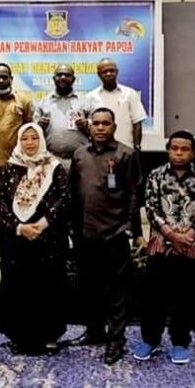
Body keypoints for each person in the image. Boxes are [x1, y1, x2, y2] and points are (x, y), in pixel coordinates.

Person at [133, 130, 195, 365]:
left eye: (185, 149)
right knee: (153, 296)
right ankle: (150, 340)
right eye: (174, 148)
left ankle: (180, 342)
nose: (179, 153)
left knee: (185, 297)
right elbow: (151, 207)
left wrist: (189, 234)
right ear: (168, 150)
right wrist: (170, 234)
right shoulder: (156, 175)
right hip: (161, 244)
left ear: (193, 153)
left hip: (191, 244)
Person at [69, 107, 143, 365]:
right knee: (90, 286)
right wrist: (73, 228)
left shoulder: (126, 154)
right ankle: (94, 331)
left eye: (105, 123)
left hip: (115, 233)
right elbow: (73, 192)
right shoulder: (79, 154)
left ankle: (116, 339)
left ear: (114, 127)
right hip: (85, 233)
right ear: (89, 126)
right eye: (96, 123)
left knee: (117, 290)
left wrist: (129, 228)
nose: (100, 127)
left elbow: (135, 194)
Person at [0, 123, 70, 356]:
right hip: (16, 238)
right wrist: (20, 227)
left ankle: (50, 336)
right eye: (25, 138)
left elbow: (65, 198)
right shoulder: (9, 168)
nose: (29, 143)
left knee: (48, 285)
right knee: (18, 285)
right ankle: (19, 337)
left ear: (41, 140)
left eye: (34, 138)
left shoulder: (54, 167)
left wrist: (43, 224)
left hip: (48, 237)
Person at [33, 63, 93, 169]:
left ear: (73, 79)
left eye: (67, 75)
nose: (63, 77)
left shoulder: (85, 101)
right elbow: (33, 131)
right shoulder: (44, 102)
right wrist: (39, 126)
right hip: (52, 160)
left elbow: (97, 127)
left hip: (80, 159)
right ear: (54, 78)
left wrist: (86, 124)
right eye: (59, 75)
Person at [86, 58, 147, 151]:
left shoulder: (130, 94)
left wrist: (137, 146)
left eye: (111, 71)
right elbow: (89, 125)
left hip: (126, 149)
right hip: (99, 151)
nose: (108, 74)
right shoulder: (91, 96)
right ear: (99, 74)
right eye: (104, 72)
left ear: (117, 72)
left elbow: (137, 123)